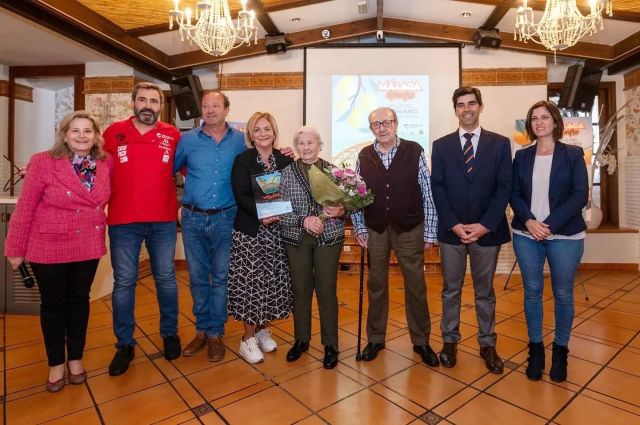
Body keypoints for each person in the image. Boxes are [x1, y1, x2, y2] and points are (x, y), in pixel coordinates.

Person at [5, 111, 112, 392]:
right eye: (75, 130)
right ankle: (56, 364)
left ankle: (75, 359)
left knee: (79, 302)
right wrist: (15, 248)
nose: (81, 136)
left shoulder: (104, 162)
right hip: (48, 246)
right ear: (64, 135)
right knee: (53, 306)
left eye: (87, 131)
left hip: (88, 245)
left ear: (95, 136)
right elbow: (25, 207)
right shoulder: (43, 162)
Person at [431, 86, 512, 374]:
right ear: (455, 110)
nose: (467, 108)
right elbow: (437, 187)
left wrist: (484, 225)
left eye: (471, 103)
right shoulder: (440, 146)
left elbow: (505, 187)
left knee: (484, 292)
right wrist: (454, 224)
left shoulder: (500, 144)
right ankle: (449, 341)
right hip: (451, 231)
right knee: (450, 290)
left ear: (480, 107)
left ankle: (487, 343)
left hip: (486, 232)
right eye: (461, 104)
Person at [103, 82, 181, 376]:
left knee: (166, 279)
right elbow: (90, 161)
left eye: (154, 101)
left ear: (161, 105)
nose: (148, 105)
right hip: (123, 222)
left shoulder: (172, 135)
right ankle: (124, 344)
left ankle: (170, 334)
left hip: (162, 220)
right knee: (124, 283)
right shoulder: (113, 133)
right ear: (132, 103)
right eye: (142, 100)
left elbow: (195, 168)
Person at [352, 107, 440, 367]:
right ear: (371, 129)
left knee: (416, 285)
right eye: (376, 124)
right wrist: (358, 227)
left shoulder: (414, 150)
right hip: (376, 229)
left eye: (386, 122)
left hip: (409, 228)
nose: (382, 127)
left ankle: (421, 340)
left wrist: (430, 231)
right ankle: (376, 338)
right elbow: (356, 194)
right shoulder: (364, 155)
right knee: (376, 285)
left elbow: (428, 192)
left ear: (396, 123)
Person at [511, 100, 588, 383]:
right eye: (534, 118)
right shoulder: (522, 156)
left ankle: (560, 351)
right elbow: (514, 193)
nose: (539, 122)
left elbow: (580, 195)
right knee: (532, 291)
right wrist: (530, 222)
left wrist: (550, 225)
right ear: (530, 125)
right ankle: (536, 351)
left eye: (545, 117)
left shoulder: (573, 154)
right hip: (526, 234)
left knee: (563, 294)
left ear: (555, 121)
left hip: (565, 236)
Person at [227, 112, 293, 364]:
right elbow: (241, 195)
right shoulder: (242, 160)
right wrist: (261, 215)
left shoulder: (284, 159)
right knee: (251, 285)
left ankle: (264, 330)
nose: (263, 133)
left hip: (277, 232)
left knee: (272, 282)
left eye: (267, 129)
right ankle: (247, 339)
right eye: (257, 129)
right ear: (250, 134)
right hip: (251, 231)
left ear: (274, 132)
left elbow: (291, 190)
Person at [279, 126, 345, 369]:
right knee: (300, 290)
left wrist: (340, 211)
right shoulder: (286, 173)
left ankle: (330, 344)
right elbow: (280, 210)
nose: (306, 147)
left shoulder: (336, 172)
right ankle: (301, 339)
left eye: (311, 143)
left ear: (320, 145)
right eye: (302, 144)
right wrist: (303, 220)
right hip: (297, 239)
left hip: (329, 238)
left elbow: (344, 206)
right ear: (297, 148)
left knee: (327, 291)